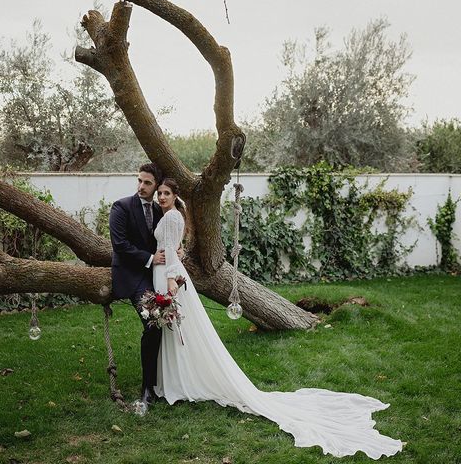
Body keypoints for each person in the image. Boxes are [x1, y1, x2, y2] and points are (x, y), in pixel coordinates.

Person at [152, 178, 403, 460]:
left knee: (177, 326)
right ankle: (175, 378)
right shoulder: (167, 215)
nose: (161, 197)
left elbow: (173, 253)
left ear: (175, 197)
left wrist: (172, 281)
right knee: (174, 328)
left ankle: (179, 380)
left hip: (170, 278)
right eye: (160, 193)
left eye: (166, 193)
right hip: (164, 274)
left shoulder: (173, 217)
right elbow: (177, 250)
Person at [108, 163, 166, 407]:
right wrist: (151, 259)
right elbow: (119, 244)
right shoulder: (121, 207)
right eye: (139, 181)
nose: (141, 186)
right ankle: (147, 389)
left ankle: (166, 381)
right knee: (153, 324)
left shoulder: (159, 208)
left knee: (166, 323)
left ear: (157, 186)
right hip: (132, 276)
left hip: (157, 276)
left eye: (147, 183)